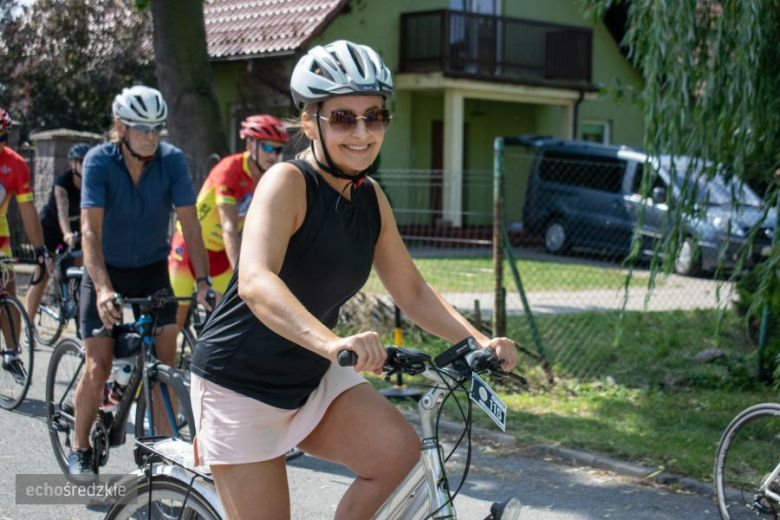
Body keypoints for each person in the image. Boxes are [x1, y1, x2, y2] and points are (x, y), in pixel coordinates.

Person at [189, 40, 519, 519]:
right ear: (310, 122)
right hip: (239, 384)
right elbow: (256, 281)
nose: (362, 131)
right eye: (343, 117)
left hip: (311, 376)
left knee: (399, 457)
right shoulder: (286, 182)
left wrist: (479, 341)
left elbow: (412, 291)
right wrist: (330, 343)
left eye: (375, 116)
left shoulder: (370, 198)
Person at [69, 85, 213, 476]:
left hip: (151, 269)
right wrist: (101, 289)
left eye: (157, 129)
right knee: (98, 367)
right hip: (106, 269)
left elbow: (191, 225)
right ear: (120, 127)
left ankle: (164, 455)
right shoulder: (99, 161)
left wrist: (203, 282)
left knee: (164, 364)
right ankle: (80, 445)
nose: (151, 136)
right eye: (141, 128)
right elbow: (89, 232)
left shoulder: (172, 161)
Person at [168, 114, 287, 332]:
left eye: (279, 150)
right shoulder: (230, 169)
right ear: (251, 143)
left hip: (220, 254)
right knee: (174, 321)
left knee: (228, 319)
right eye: (269, 148)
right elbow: (230, 228)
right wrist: (244, 272)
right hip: (190, 249)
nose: (274, 156)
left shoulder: (270, 177)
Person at [0, 107, 49, 378]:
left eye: (1, 139)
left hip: (1, 235)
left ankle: (11, 352)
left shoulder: (16, 164)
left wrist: (40, 249)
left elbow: (28, 211)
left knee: (7, 293)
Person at [26, 142, 90, 324]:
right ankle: (29, 326)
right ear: (73, 164)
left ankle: (80, 321)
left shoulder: (91, 183)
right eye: (81, 161)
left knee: (79, 272)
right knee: (43, 273)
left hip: (74, 229)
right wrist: (67, 234)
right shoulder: (62, 182)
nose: (85, 165)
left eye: (88, 161)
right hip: (51, 229)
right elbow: (62, 211)